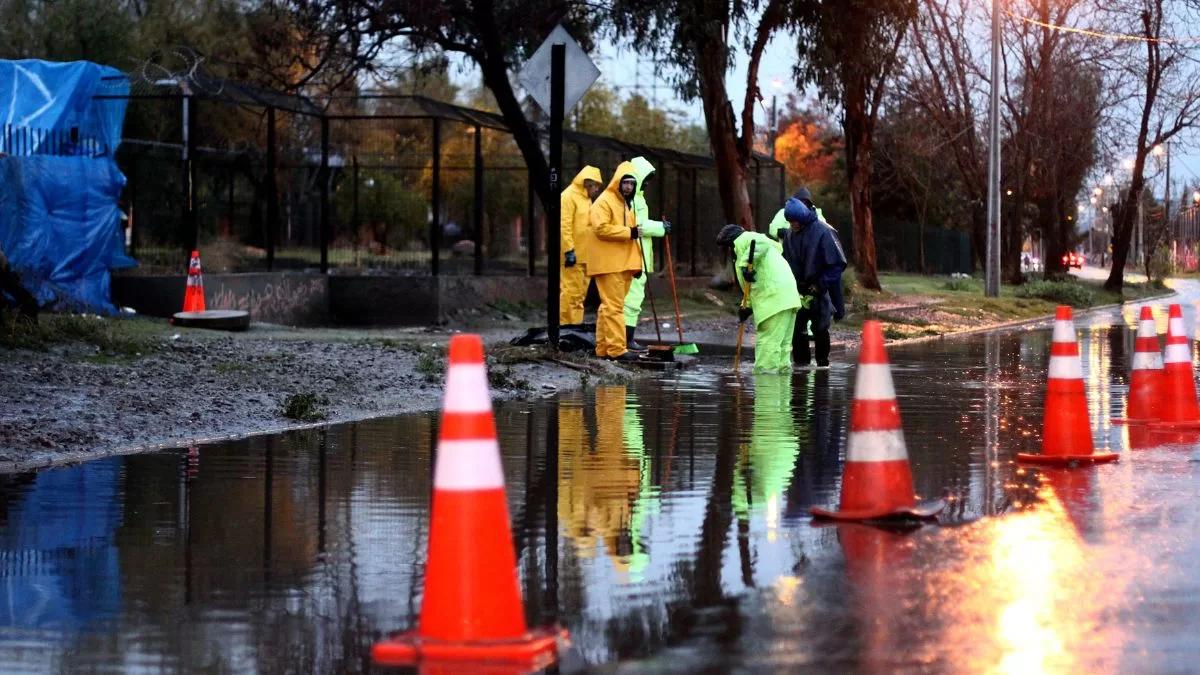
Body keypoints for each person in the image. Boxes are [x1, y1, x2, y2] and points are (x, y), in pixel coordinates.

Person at [715, 224, 801, 374]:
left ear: (731, 241)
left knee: (768, 345)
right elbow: (752, 285)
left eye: (726, 246)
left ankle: (765, 390)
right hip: (786, 298)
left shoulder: (747, 240)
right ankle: (781, 393)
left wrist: (744, 265)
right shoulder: (753, 251)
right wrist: (746, 306)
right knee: (781, 349)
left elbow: (760, 240)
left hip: (774, 300)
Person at [583, 161, 643, 361]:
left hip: (621, 264)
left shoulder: (626, 205)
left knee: (607, 307)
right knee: (614, 307)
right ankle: (617, 349)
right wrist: (629, 232)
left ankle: (603, 348)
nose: (629, 187)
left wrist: (636, 265)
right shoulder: (604, 202)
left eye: (632, 184)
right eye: (626, 183)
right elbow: (601, 228)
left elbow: (633, 238)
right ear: (617, 182)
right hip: (608, 264)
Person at [780, 196, 847, 367]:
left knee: (820, 329)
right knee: (797, 330)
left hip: (820, 289)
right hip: (798, 291)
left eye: (795, 221)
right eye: (790, 221)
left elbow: (837, 264)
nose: (792, 224)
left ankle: (823, 366)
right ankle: (800, 368)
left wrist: (820, 284)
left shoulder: (824, 232)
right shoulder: (789, 235)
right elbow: (785, 261)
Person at [624, 156, 671, 351]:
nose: (648, 183)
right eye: (647, 178)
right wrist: (660, 227)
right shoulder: (632, 200)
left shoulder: (638, 198)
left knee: (634, 298)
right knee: (631, 299)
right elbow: (638, 226)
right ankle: (626, 339)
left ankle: (626, 338)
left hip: (640, 256)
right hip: (634, 256)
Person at [560, 165, 604, 326]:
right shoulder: (568, 196)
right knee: (570, 294)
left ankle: (574, 328)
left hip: (585, 255)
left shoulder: (585, 199)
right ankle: (564, 328)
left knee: (579, 297)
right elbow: (564, 225)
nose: (597, 191)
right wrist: (568, 250)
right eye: (596, 187)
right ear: (588, 184)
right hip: (573, 255)